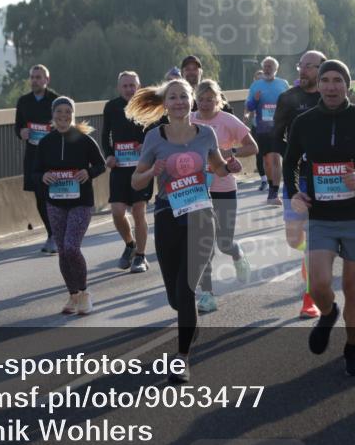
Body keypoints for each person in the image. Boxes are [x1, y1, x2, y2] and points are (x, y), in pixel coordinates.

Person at [283, 60, 355, 376]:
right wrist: (294, 193)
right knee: (319, 283)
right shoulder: (304, 122)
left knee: (353, 287)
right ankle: (328, 312)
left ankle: (352, 348)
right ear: (318, 85)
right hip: (320, 215)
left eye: (338, 80)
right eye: (326, 80)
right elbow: (290, 162)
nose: (331, 86)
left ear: (348, 85)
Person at [127, 79, 241, 383]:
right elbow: (136, 181)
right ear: (165, 104)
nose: (178, 102)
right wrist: (152, 172)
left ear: (191, 101)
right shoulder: (154, 137)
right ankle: (189, 322)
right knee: (176, 299)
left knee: (186, 288)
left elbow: (217, 167)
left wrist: (229, 168)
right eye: (173, 97)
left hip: (201, 215)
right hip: (167, 215)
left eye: (183, 97)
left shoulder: (206, 134)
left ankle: (182, 358)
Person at [34, 97, 106, 315]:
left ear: (73, 115)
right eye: (59, 112)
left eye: (68, 112)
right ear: (53, 114)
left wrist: (88, 172)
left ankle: (84, 293)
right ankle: (73, 295)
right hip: (55, 202)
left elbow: (101, 165)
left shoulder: (84, 140)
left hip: (81, 202)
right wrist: (43, 176)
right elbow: (34, 172)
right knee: (63, 251)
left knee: (72, 247)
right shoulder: (46, 142)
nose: (63, 116)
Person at [192, 79, 259, 312]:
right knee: (203, 245)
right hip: (197, 190)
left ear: (218, 100)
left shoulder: (227, 120)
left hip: (224, 189)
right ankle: (207, 295)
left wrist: (231, 152)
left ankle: (236, 252)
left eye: (210, 100)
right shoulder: (189, 120)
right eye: (201, 99)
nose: (205, 104)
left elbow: (253, 146)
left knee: (223, 242)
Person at [274, 50, 328, 319]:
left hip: (322, 177)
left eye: (309, 66)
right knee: (294, 239)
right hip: (295, 176)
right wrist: (294, 154)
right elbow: (275, 136)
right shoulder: (287, 98)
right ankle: (317, 254)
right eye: (301, 65)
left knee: (314, 239)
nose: (303, 70)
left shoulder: (330, 97)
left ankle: (310, 298)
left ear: (322, 69)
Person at [101, 72, 153, 273]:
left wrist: (145, 145)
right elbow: (105, 134)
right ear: (119, 88)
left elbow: (156, 130)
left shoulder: (147, 105)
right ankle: (130, 244)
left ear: (139, 87)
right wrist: (109, 155)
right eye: (125, 86)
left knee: (139, 211)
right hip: (119, 168)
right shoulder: (111, 107)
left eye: (132, 85)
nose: (129, 89)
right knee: (117, 212)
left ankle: (140, 256)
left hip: (142, 167)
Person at [14, 64, 59, 254]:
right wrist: (21, 132)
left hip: (53, 156)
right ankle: (52, 234)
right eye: (32, 77)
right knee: (40, 196)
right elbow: (18, 126)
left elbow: (67, 124)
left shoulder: (56, 100)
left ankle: (57, 233)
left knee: (53, 195)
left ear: (47, 80)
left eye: (38, 77)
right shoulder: (23, 101)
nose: (35, 81)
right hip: (33, 155)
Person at [245, 57, 291, 205]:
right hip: (262, 128)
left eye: (270, 66)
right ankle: (272, 187)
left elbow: (291, 104)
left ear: (276, 69)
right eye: (265, 66)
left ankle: (274, 192)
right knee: (267, 160)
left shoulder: (283, 84)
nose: (267, 69)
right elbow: (249, 107)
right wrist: (255, 100)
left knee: (276, 157)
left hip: (279, 127)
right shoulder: (256, 85)